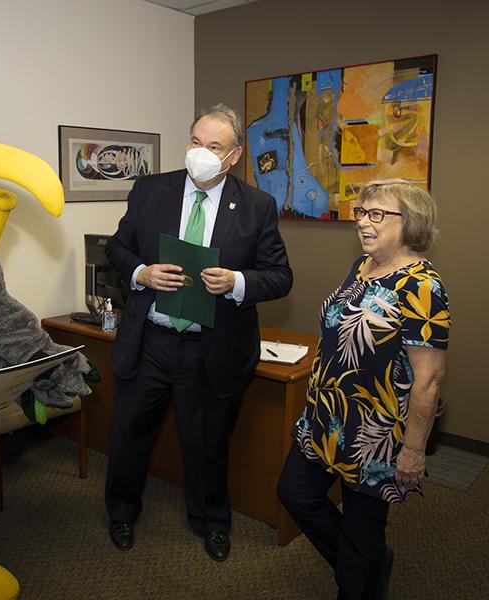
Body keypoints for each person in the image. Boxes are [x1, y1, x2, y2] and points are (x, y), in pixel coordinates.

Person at [104, 103, 293, 561]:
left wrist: (237, 282)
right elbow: (116, 247)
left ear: (234, 156)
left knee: (206, 444)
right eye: (195, 142)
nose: (200, 153)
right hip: (151, 340)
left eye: (214, 146)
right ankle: (121, 511)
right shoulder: (150, 190)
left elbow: (280, 275)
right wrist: (142, 273)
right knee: (130, 434)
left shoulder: (256, 205)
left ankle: (211, 520)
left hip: (209, 349)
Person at [277, 180, 450, 599]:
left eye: (377, 214)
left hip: (375, 433)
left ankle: (361, 576)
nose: (363, 222)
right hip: (326, 417)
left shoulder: (423, 288)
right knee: (294, 494)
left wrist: (412, 449)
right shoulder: (362, 266)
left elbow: (429, 378)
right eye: (361, 212)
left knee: (361, 534)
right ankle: (367, 565)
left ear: (409, 222)